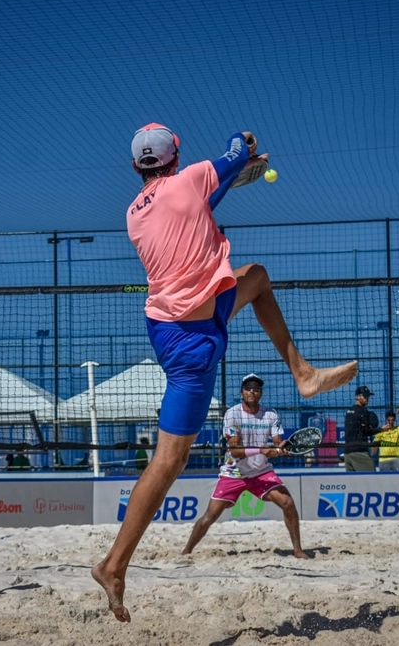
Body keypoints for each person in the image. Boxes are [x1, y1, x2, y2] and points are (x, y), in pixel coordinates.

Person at [92, 124, 342, 623]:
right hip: (194, 341)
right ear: (175, 157)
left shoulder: (134, 213)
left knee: (256, 277)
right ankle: (114, 566)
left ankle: (303, 372)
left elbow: (196, 200)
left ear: (136, 168)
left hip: (172, 321)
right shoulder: (190, 181)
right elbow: (235, 150)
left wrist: (232, 173)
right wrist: (243, 144)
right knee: (167, 464)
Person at [182, 374, 308, 559]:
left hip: (261, 472)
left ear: (260, 393)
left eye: (256, 389)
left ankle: (297, 550)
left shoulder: (270, 414)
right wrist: (262, 450)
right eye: (248, 388)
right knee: (211, 515)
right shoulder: (232, 414)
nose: (252, 391)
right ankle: (187, 550)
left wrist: (280, 449)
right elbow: (235, 450)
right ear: (241, 392)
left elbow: (277, 442)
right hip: (234, 472)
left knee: (288, 503)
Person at [344, 385, 384, 472]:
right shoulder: (363, 411)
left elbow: (361, 430)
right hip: (360, 452)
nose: (367, 398)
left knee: (354, 484)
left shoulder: (349, 411)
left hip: (347, 453)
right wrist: (381, 429)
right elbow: (367, 431)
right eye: (365, 396)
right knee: (372, 480)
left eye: (368, 396)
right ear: (357, 397)